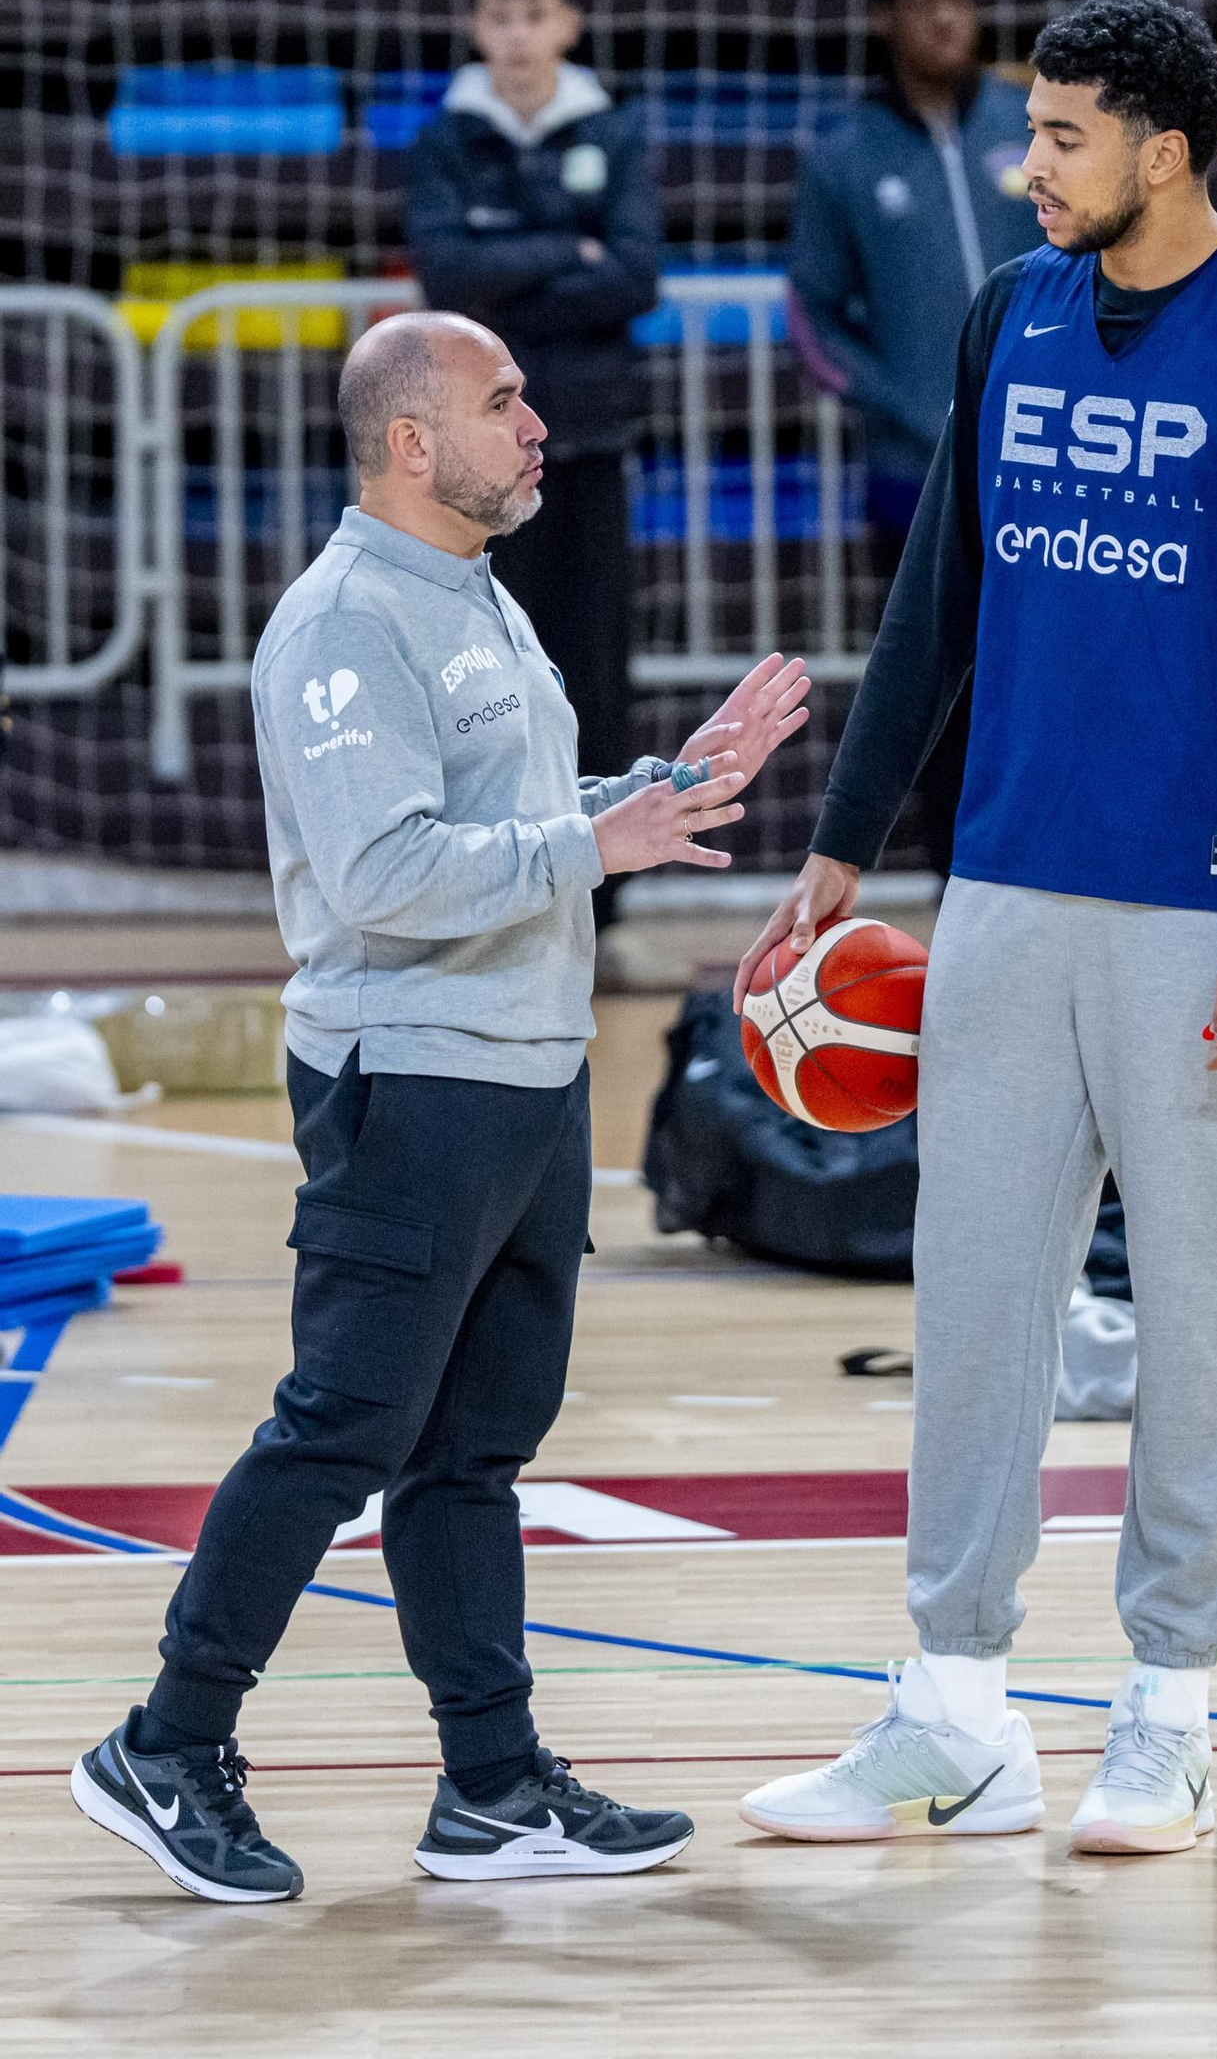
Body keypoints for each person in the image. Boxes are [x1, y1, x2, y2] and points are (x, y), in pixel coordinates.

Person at [733, 0, 1217, 1857]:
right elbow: (943, 585)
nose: (1029, 170)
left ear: (1164, 152)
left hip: (1208, 904)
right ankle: (951, 1709)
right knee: (982, 1300)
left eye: (1063, 139)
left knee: (1197, 1315)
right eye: (1030, 134)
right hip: (1008, 882)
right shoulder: (1007, 317)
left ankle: (1168, 1711)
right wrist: (853, 835)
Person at [70, 312, 809, 1904]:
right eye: (504, 402)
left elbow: (517, 827)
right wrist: (591, 848)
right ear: (414, 443)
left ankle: (491, 1788)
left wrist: (646, 792)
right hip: (409, 1080)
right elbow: (388, 874)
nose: (538, 424)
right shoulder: (342, 626)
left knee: (473, 1450)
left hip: (527, 1081)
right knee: (341, 1426)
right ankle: (167, 1744)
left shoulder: (474, 599)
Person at [406, 0, 661, 928]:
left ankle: (603, 896)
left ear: (566, 23)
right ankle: (494, 881)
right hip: (471, 465)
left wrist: (502, 261)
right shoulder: (445, 141)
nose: (517, 35)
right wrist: (566, 249)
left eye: (534, 15)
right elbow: (444, 276)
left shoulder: (616, 129)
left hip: (585, 442)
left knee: (590, 668)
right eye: (499, 17)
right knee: (481, 674)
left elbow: (635, 274)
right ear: (479, 28)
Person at [786, 0, 1041, 868]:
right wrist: (901, 405)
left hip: (1046, 466)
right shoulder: (844, 156)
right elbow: (811, 315)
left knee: (1044, 676)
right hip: (914, 477)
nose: (946, 16)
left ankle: (1045, 876)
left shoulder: (1033, 125)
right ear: (882, 17)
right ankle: (954, 885)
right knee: (939, 689)